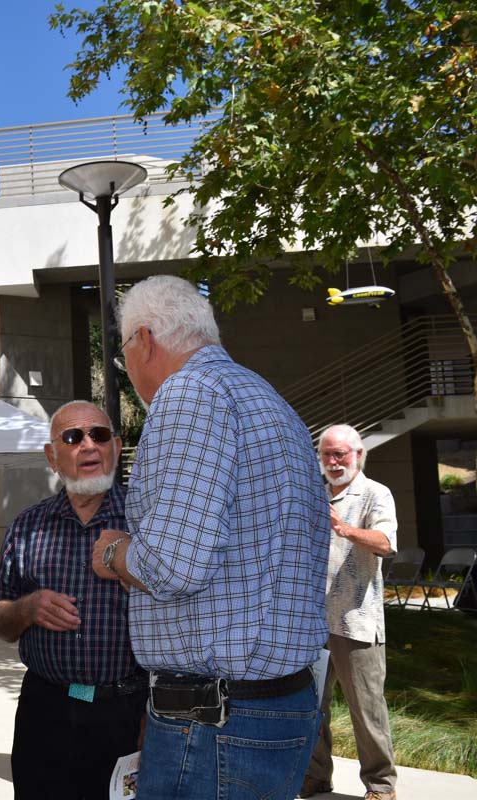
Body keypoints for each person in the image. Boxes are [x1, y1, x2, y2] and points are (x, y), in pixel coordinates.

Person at [90, 275, 330, 800]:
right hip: (275, 707)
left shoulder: (188, 394)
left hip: (216, 724)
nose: (126, 370)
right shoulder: (268, 401)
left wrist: (111, 551)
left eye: (124, 352)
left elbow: (172, 568)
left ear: (144, 341)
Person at [0, 400, 146, 800]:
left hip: (128, 713)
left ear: (116, 445)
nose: (89, 446)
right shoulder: (28, 526)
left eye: (100, 435)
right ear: (52, 456)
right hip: (46, 712)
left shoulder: (148, 521)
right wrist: (27, 608)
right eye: (74, 437)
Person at [301, 424, 398, 800]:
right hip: (312, 626)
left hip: (356, 623)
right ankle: (314, 780)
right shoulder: (314, 495)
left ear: (358, 454)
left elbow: (386, 543)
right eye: (326, 454)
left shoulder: (375, 493)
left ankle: (380, 786)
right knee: (311, 709)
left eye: (340, 453)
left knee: (367, 712)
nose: (333, 461)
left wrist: (346, 530)